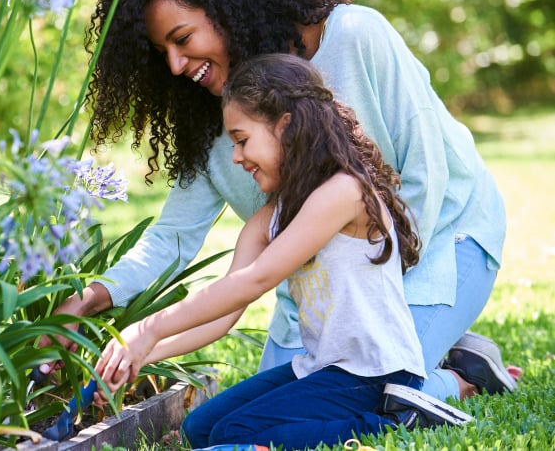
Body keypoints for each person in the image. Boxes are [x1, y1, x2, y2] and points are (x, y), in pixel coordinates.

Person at [43, 0, 517, 403]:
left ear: (227, 7)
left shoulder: (354, 36)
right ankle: (443, 351)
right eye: (161, 52)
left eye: (182, 39)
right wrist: (92, 297)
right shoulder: (216, 124)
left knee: (370, 394)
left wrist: (376, 310)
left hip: (440, 243)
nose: (174, 65)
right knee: (271, 405)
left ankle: (458, 378)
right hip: (323, 294)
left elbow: (426, 173)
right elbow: (172, 237)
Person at [94, 53, 471, 449]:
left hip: (375, 375)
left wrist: (149, 327)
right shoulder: (270, 217)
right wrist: (142, 354)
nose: (237, 157)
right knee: (199, 430)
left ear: (285, 127)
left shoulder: (345, 192)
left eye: (242, 140)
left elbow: (256, 280)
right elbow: (223, 315)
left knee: (234, 435)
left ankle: (401, 421)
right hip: (322, 368)